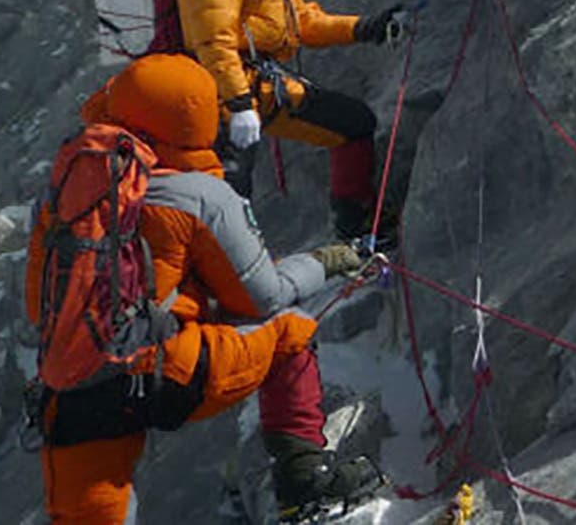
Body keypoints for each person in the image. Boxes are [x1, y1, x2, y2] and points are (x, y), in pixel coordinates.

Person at [28, 53, 380, 524]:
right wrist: (327, 260)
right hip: (161, 370)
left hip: (68, 384)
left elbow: (39, 305)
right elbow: (262, 297)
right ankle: (305, 481)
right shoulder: (200, 195)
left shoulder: (66, 190)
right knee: (288, 330)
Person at [172, 0, 405, 249]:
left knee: (353, 123)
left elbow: (304, 22)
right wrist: (238, 103)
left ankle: (356, 226)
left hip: (258, 87)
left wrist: (367, 27)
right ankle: (224, 277)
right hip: (215, 94)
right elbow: (212, 40)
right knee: (230, 187)